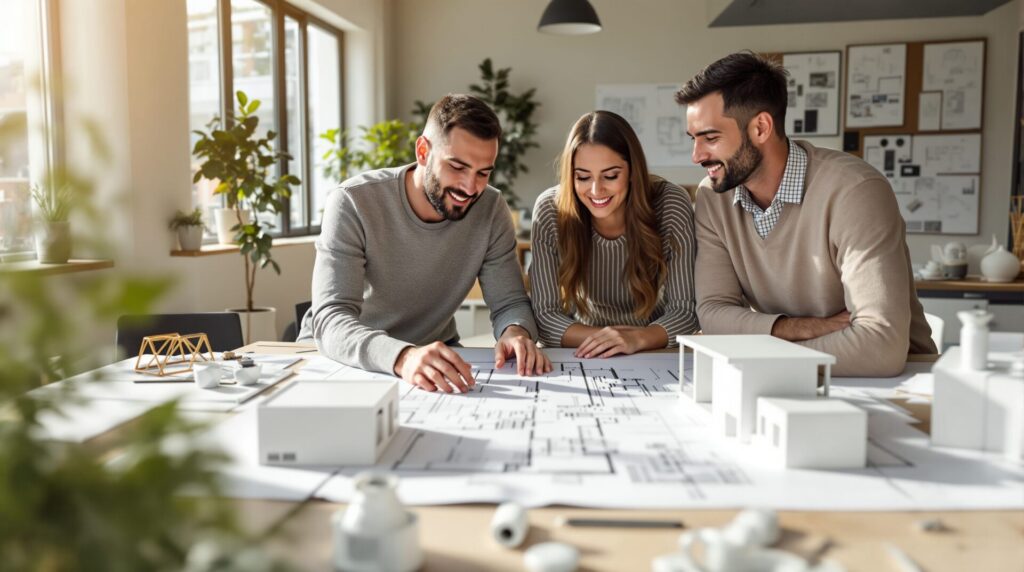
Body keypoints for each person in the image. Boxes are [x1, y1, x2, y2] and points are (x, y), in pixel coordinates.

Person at [675, 51, 935, 376]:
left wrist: (755, 356)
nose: (696, 155)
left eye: (710, 138)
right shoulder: (713, 197)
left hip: (898, 387)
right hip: (797, 381)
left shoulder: (854, 190)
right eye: (693, 139)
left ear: (760, 127)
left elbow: (879, 347)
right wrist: (799, 328)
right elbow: (714, 314)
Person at [298, 93, 552, 392]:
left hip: (436, 360)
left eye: (483, 172)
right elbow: (331, 320)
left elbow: (510, 302)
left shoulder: (491, 208)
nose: (470, 188)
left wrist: (516, 332)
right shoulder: (353, 201)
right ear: (422, 151)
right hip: (346, 359)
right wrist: (403, 357)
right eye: (457, 167)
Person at [529, 110, 699, 358]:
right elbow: (544, 318)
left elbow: (686, 313)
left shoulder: (670, 203)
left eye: (610, 176)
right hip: (578, 352)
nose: (596, 190)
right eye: (583, 177)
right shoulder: (550, 210)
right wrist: (609, 340)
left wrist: (637, 338)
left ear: (632, 171)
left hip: (652, 352)